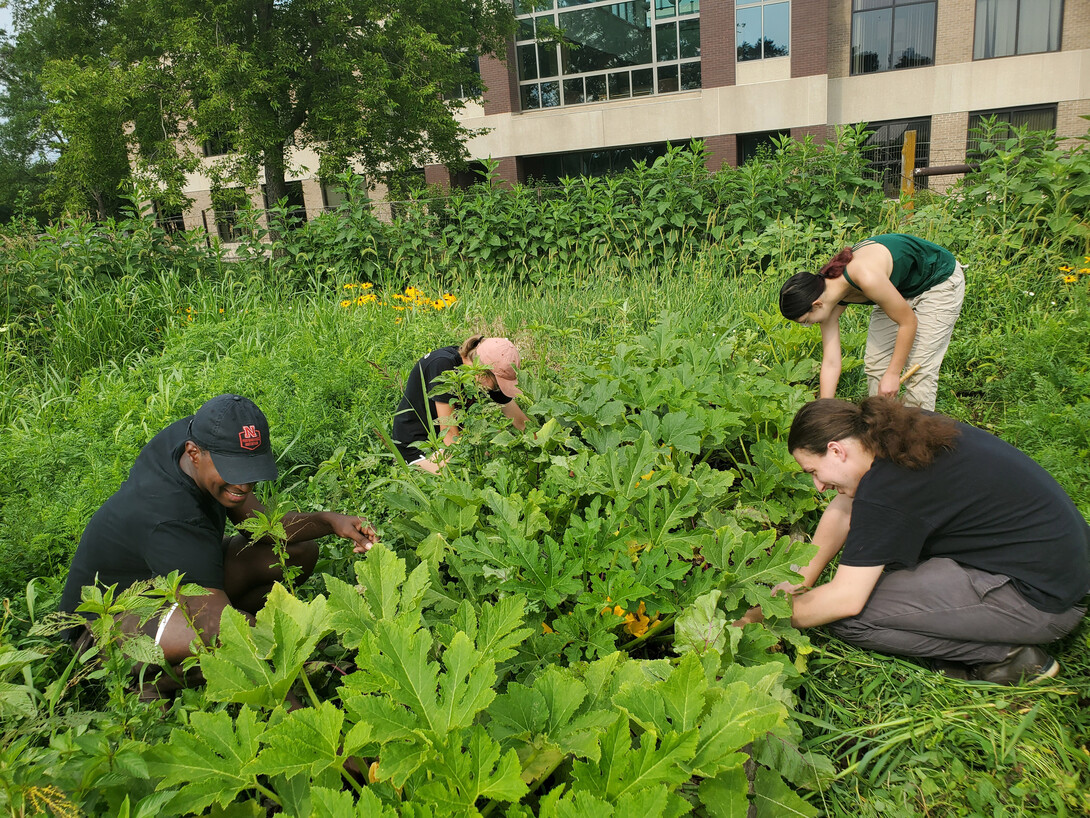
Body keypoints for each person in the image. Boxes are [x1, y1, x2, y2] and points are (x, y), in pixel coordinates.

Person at [741, 396, 1089, 684]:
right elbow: (843, 510)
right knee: (876, 573)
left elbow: (845, 600)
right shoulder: (894, 433)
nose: (818, 487)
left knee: (850, 620)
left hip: (1044, 602)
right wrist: (800, 580)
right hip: (1060, 565)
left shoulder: (885, 489)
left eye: (813, 472)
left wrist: (758, 618)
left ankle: (1009, 658)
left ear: (836, 450)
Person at [59, 394, 378, 673]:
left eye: (250, 472)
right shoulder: (169, 515)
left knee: (298, 552)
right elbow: (223, 626)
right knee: (237, 638)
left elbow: (261, 524)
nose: (243, 485)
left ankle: (238, 654)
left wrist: (329, 521)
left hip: (165, 584)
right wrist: (291, 660)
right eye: (232, 471)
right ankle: (151, 684)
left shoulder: (197, 438)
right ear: (194, 453)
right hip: (102, 628)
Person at [778, 234, 965, 411]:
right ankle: (883, 432)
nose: (809, 325)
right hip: (898, 289)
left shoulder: (866, 277)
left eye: (806, 321)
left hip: (937, 280)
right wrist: (825, 409)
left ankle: (916, 438)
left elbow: (908, 322)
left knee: (917, 371)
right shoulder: (825, 294)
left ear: (816, 304)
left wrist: (893, 374)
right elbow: (831, 362)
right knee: (876, 366)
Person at [391, 335, 528, 473]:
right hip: (418, 444)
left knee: (496, 447)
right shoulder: (443, 366)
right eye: (498, 384)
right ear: (483, 372)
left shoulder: (482, 372)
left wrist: (542, 442)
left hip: (452, 436)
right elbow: (449, 436)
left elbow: (521, 422)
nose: (498, 389)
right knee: (463, 470)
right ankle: (405, 463)